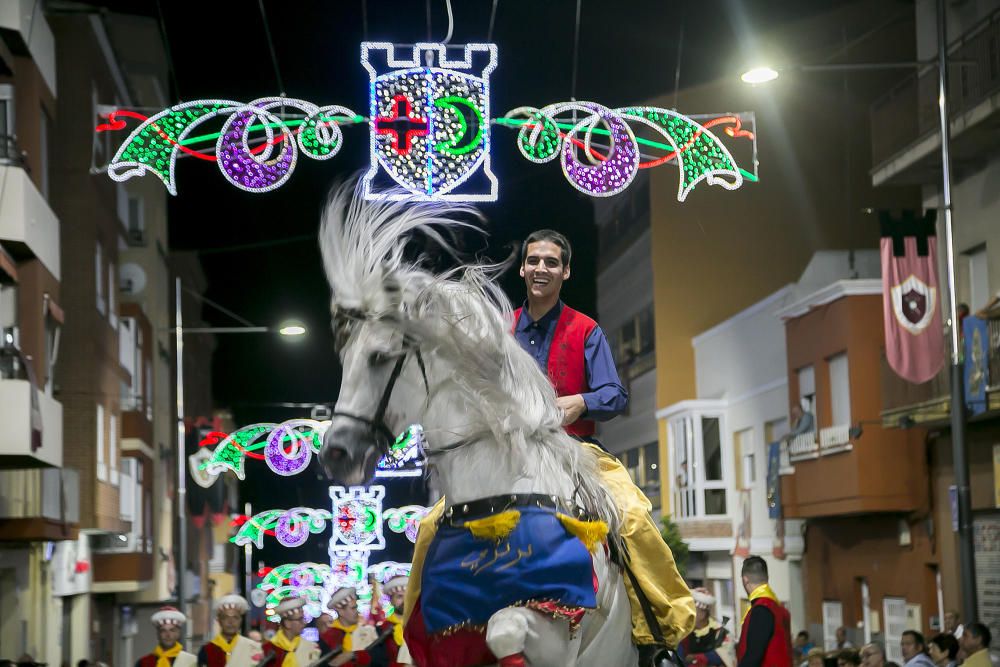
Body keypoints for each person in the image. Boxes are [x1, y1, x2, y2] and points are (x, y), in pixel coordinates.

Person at [735, 556, 791, 667]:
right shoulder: (779, 608)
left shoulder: (761, 610)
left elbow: (753, 655)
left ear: (745, 580)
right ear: (767, 578)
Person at [319, 587, 393, 667]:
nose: (357, 611)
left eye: (356, 607)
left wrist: (356, 655)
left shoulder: (371, 632)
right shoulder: (328, 637)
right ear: (341, 612)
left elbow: (382, 660)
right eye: (353, 608)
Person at [197, 594, 262, 666]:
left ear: (241, 620)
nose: (231, 622)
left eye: (235, 617)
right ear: (219, 620)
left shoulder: (253, 648)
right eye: (225, 617)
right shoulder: (207, 650)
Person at [676, 587, 734, 667]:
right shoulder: (684, 634)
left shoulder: (721, 633)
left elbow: (726, 656)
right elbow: (677, 660)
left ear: (702, 614)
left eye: (692, 611)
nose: (688, 615)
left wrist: (697, 657)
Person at [260, 597, 320, 665]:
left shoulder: (311, 648)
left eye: (303, 618)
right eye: (299, 619)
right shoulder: (268, 649)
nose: (304, 622)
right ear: (287, 623)